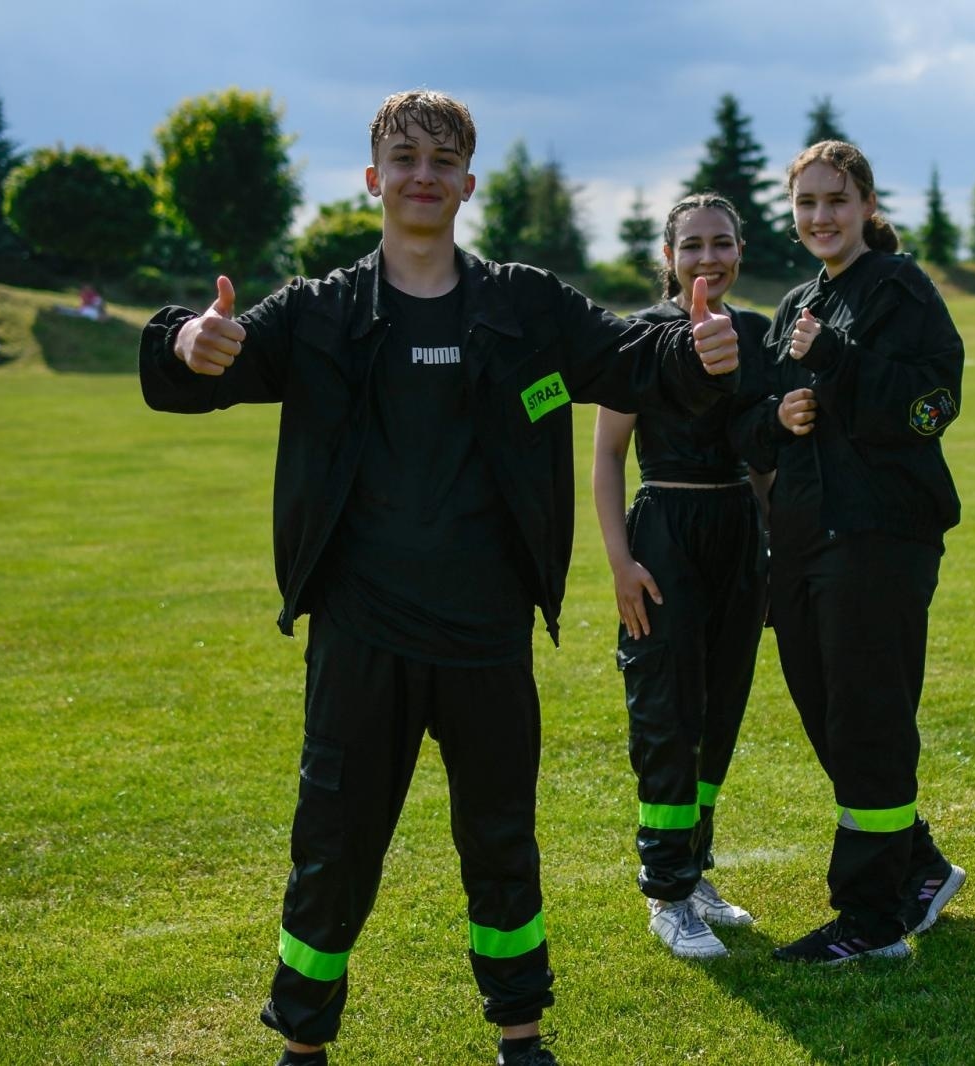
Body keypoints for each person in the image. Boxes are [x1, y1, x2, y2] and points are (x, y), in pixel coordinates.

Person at [138, 89, 739, 1066]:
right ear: (375, 179)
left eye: (442, 159)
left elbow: (631, 354)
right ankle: (301, 1042)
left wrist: (697, 348)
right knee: (332, 850)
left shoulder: (522, 308)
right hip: (359, 637)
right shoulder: (324, 312)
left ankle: (521, 1036)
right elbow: (214, 357)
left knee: (501, 843)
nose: (423, 174)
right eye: (403, 158)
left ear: (468, 182)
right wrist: (181, 340)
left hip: (485, 636)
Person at [734, 140, 966, 965]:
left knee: (868, 722)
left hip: (879, 539)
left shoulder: (900, 290)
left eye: (836, 200)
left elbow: (934, 407)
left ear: (866, 204)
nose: (821, 218)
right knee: (832, 720)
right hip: (798, 543)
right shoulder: (797, 298)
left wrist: (835, 360)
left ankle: (871, 922)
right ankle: (922, 866)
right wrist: (778, 417)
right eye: (806, 205)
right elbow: (755, 423)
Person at [590, 193, 773, 961]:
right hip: (665, 531)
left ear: (740, 251)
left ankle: (694, 871)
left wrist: (763, 545)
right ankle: (665, 893)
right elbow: (605, 456)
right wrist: (621, 562)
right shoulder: (641, 336)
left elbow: (765, 458)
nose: (708, 258)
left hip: (737, 533)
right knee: (667, 711)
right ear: (668, 256)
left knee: (719, 710)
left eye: (721, 244)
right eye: (692, 245)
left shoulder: (757, 335)